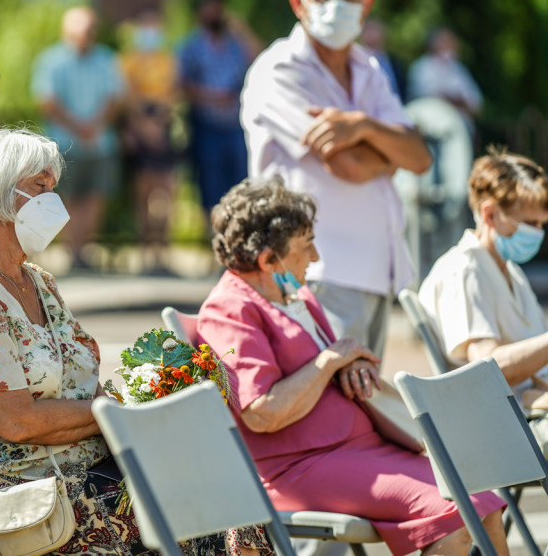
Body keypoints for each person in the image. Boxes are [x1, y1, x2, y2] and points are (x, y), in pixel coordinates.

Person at [0, 128, 271, 556]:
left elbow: (86, 386)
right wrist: (114, 415)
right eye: (39, 186)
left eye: (53, 187)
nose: (53, 200)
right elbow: (15, 421)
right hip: (21, 488)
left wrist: (140, 411)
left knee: (220, 482)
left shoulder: (39, 282)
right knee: (189, 507)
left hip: (82, 467)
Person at [197, 177, 507, 556]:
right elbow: (263, 413)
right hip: (301, 466)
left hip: (357, 449)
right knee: (457, 514)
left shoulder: (294, 294)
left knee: (484, 501)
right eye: (307, 246)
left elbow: (322, 364)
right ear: (267, 260)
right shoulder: (230, 308)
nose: (314, 258)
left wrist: (348, 363)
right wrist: (330, 360)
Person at [241, 0, 432, 361]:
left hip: (376, 272)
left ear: (367, 4)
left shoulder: (371, 68)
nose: (338, 6)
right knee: (326, 413)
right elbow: (350, 165)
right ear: (299, 2)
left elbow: (419, 157)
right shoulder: (279, 71)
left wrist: (361, 126)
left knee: (363, 414)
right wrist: (387, 148)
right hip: (314, 273)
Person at [420, 150, 548, 451]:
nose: (538, 234)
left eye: (542, 224)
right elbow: (488, 368)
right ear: (490, 214)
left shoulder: (510, 272)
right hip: (507, 431)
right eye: (530, 222)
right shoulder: (463, 270)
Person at [32, 6, 125, 271]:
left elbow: (115, 98)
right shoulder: (51, 61)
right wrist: (80, 126)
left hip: (99, 141)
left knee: (95, 197)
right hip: (64, 141)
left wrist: (93, 125)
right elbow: (47, 101)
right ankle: (71, 253)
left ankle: (84, 252)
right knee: (66, 198)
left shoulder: (106, 59)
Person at [179, 0, 255, 216]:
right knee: (210, 183)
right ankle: (214, 237)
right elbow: (183, 85)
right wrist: (213, 97)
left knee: (242, 182)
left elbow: (260, 58)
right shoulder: (191, 47)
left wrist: (242, 30)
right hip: (206, 125)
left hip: (236, 124)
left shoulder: (236, 43)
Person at [118, 11, 181, 274]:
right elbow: (126, 98)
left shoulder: (168, 60)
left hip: (163, 129)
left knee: (167, 193)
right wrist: (143, 125)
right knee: (143, 195)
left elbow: (173, 95)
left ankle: (163, 252)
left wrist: (158, 121)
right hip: (140, 131)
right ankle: (146, 254)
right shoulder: (127, 61)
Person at [408, 27, 483, 136]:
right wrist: (456, 101)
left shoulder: (459, 69)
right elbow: (426, 97)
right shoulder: (421, 67)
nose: (450, 45)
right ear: (433, 44)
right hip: (431, 130)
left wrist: (455, 101)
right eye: (445, 41)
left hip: (462, 128)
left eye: (451, 41)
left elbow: (476, 104)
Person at [359, 18, 405, 99]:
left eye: (375, 29)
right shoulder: (355, 61)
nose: (371, 34)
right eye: (368, 29)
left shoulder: (396, 62)